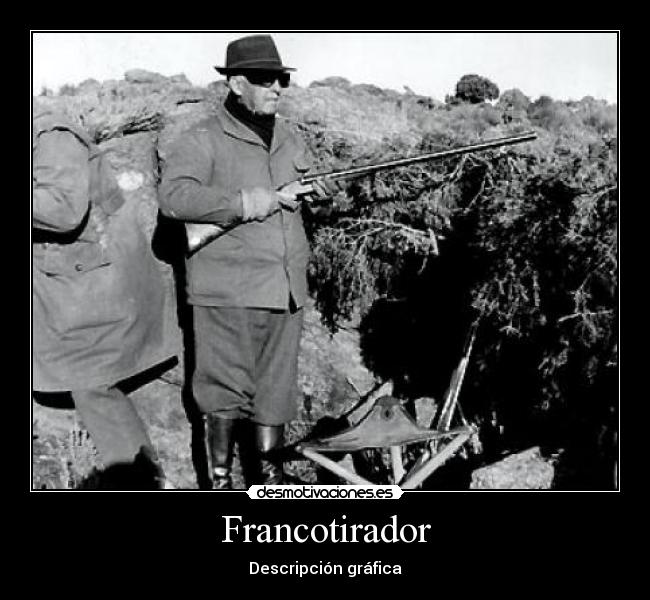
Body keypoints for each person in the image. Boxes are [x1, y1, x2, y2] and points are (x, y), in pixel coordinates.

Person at [159, 34, 338, 489]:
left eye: (281, 79)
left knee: (275, 395)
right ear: (237, 84)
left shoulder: (289, 137)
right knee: (222, 393)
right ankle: (219, 485)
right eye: (264, 79)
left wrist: (323, 193)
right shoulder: (202, 138)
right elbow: (175, 198)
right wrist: (247, 201)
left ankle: (270, 488)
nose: (276, 87)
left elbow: (305, 192)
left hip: (286, 289)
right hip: (229, 291)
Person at [33, 104, 180, 489]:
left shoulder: (51, 136)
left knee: (90, 380)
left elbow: (62, 210)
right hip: (74, 279)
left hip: (96, 283)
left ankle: (144, 483)